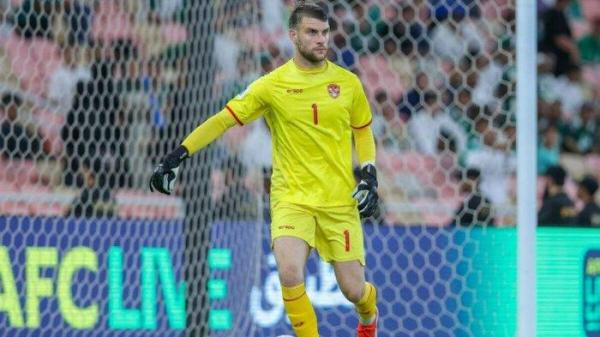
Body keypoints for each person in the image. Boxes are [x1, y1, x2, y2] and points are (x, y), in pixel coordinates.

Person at [149, 3, 379, 336]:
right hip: (291, 198)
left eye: (325, 32)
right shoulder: (272, 85)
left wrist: (369, 172)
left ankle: (369, 316)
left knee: (354, 291)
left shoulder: (348, 83)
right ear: (293, 35)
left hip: (337, 200)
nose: (321, 40)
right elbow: (223, 120)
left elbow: (363, 129)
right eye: (312, 32)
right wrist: (178, 154)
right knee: (288, 272)